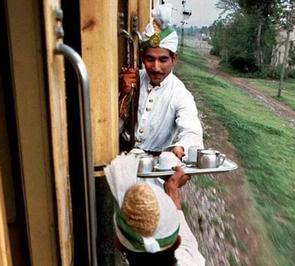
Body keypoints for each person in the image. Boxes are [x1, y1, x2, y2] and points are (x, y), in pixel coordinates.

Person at [119, 4, 203, 159]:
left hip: (157, 169)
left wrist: (181, 146)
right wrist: (123, 96)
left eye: (163, 59)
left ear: (173, 59)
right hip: (122, 161)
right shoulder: (131, 80)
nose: (156, 67)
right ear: (143, 58)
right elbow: (109, 129)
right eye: (150, 59)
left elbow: (192, 131)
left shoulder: (179, 93)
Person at [104, 154, 205, 265]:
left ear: (118, 243)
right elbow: (187, 245)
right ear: (177, 242)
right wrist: (172, 190)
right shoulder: (191, 261)